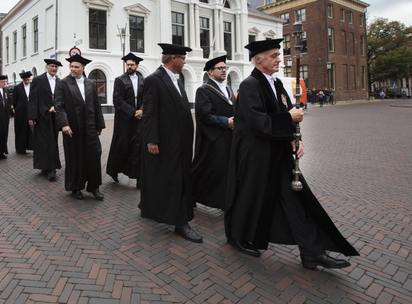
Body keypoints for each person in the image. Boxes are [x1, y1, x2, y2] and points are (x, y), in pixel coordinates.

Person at [224, 39, 358, 269]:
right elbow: (258, 122)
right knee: (249, 197)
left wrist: (297, 140)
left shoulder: (276, 85)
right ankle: (236, 236)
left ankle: (312, 252)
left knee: (296, 201)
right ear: (258, 59)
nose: (279, 59)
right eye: (274, 55)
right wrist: (289, 119)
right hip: (256, 157)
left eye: (279, 55)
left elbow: (288, 114)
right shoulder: (250, 85)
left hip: (279, 155)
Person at [140, 43, 200, 243]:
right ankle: (181, 223)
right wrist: (152, 139)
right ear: (173, 59)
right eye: (183, 58)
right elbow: (150, 111)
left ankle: (150, 208)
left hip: (179, 142)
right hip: (165, 141)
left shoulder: (178, 78)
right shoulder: (154, 80)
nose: (185, 62)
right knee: (174, 180)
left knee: (173, 177)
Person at [55, 54, 105, 200]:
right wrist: (64, 124)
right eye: (72, 66)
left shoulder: (90, 83)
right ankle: (75, 187)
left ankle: (94, 187)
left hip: (89, 127)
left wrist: (99, 125)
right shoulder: (63, 84)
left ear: (83, 68)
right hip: (73, 128)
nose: (73, 69)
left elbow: (96, 105)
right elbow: (58, 106)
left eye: (76, 67)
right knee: (75, 158)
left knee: (94, 155)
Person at [191, 55, 235, 211]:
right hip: (213, 138)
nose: (224, 71)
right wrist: (226, 122)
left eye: (225, 68)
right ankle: (192, 195)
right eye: (220, 68)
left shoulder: (228, 88)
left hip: (228, 136)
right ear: (211, 72)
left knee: (226, 170)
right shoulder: (204, 90)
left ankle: (226, 201)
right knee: (209, 169)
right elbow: (205, 116)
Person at [106, 53, 144, 188]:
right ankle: (113, 170)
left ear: (137, 66)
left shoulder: (143, 80)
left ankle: (139, 178)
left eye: (132, 64)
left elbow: (147, 98)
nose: (129, 66)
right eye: (127, 64)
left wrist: (141, 110)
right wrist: (133, 112)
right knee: (121, 145)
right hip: (124, 119)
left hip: (139, 119)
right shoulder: (120, 80)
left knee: (138, 147)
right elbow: (117, 100)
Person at [28, 59, 63, 182]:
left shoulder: (59, 81)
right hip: (41, 116)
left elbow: (61, 98)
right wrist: (32, 116)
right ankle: (47, 167)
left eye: (56, 67)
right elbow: (32, 98)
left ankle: (51, 166)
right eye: (52, 66)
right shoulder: (38, 80)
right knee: (42, 141)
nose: (54, 69)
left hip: (54, 116)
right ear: (47, 67)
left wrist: (57, 107)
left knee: (52, 140)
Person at [11, 71, 34, 154]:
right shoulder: (18, 88)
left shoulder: (32, 86)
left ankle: (30, 146)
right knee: (21, 130)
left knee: (30, 130)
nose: (27, 82)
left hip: (30, 111)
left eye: (28, 80)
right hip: (21, 112)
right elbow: (14, 100)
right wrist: (17, 109)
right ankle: (20, 148)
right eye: (25, 80)